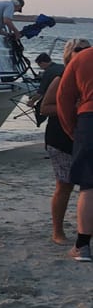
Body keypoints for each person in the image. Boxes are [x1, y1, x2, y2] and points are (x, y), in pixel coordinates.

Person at [39, 39, 90, 244]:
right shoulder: (61, 78)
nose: (83, 53)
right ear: (69, 54)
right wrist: (74, 108)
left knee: (87, 186)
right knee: (64, 184)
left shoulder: (86, 77)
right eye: (78, 50)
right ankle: (57, 231)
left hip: (84, 135)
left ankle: (84, 229)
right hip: (61, 137)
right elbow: (45, 108)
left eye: (87, 49)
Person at [56, 40, 93, 262]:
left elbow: (64, 97)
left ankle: (82, 246)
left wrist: (72, 129)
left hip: (89, 119)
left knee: (89, 185)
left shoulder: (82, 58)